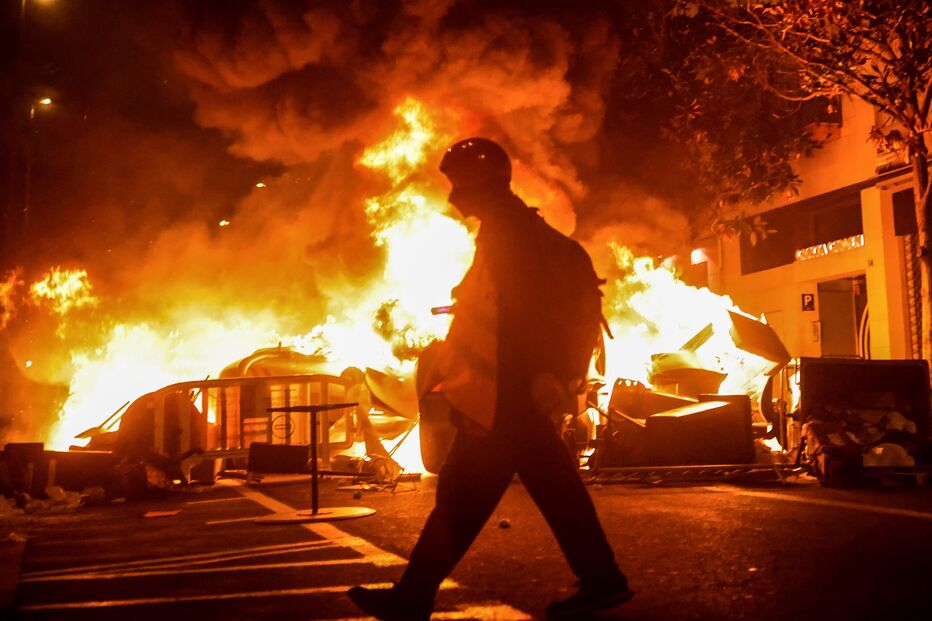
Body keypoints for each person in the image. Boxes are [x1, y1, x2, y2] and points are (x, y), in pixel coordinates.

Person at [348, 138, 632, 620]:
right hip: (513, 396)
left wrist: (518, 386)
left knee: (467, 496)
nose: (454, 195)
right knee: (542, 488)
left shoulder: (507, 233)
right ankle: (602, 580)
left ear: (479, 182)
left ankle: (413, 596)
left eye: (458, 182)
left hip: (507, 398)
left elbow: (518, 318)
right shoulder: (514, 228)